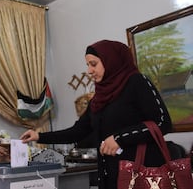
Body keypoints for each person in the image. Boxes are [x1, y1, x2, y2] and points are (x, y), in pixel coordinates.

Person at [20, 40, 173, 189]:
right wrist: (39, 136)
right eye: (88, 65)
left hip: (142, 175)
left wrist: (119, 138)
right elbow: (77, 132)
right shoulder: (99, 98)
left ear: (111, 61)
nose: (89, 71)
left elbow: (163, 123)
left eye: (94, 64)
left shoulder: (137, 82)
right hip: (110, 176)